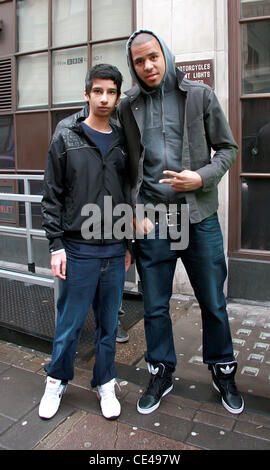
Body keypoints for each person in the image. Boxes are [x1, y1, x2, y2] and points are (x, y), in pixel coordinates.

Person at [117, 30, 244, 415]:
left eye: (152, 57)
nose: (148, 66)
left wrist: (201, 177)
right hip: (152, 219)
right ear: (133, 66)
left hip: (198, 217)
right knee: (155, 305)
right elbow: (126, 170)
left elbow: (228, 149)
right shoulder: (128, 106)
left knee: (213, 301)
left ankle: (222, 370)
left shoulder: (199, 96)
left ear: (165, 54)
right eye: (139, 61)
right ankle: (160, 371)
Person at [39, 63, 131, 421]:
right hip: (77, 248)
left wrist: (129, 246)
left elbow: (130, 192)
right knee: (70, 323)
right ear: (87, 94)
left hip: (114, 248)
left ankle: (105, 381)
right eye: (98, 91)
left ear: (117, 96)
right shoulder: (66, 135)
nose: (104, 99)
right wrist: (56, 245)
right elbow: (53, 194)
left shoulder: (124, 139)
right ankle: (56, 380)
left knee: (108, 324)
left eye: (111, 92)